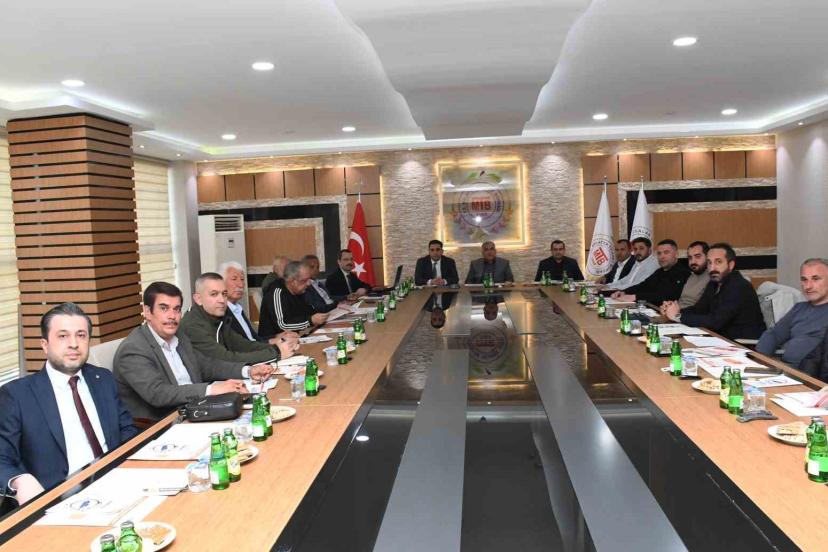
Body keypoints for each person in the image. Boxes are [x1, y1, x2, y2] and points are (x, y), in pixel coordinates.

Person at [0, 303, 137, 505]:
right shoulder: (17, 395)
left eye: (81, 335)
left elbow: (127, 429)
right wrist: (18, 481)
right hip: (58, 501)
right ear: (45, 345)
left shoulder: (103, 378)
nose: (73, 344)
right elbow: (2, 458)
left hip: (116, 484)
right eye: (63, 336)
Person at [114, 282, 273, 422]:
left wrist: (248, 371)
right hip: (164, 423)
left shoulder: (179, 336)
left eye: (177, 309)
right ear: (147, 312)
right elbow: (158, 393)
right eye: (164, 308)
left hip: (197, 410)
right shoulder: (134, 349)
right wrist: (211, 390)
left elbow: (207, 366)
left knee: (262, 414)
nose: (172, 316)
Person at [179, 272, 296, 365]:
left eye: (224, 294)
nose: (221, 300)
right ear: (198, 299)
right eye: (214, 294)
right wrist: (276, 352)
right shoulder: (193, 325)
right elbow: (224, 359)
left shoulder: (218, 317)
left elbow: (243, 346)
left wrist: (279, 347)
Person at [661, 243, 766, 340]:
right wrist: (672, 311)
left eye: (718, 262)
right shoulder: (714, 283)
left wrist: (678, 317)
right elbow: (699, 309)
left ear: (731, 265)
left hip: (742, 343)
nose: (712, 268)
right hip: (719, 338)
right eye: (709, 262)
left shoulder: (739, 286)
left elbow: (716, 321)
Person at [756, 258, 828, 367]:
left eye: (816, 279)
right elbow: (774, 335)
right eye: (804, 279)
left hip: (810, 373)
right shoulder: (799, 308)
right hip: (785, 368)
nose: (808, 286)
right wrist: (760, 361)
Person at [220, 261, 296, 345]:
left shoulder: (237, 308)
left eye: (242, 279)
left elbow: (253, 339)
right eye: (234, 279)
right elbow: (240, 346)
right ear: (221, 283)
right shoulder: (221, 313)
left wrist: (277, 336)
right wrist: (271, 341)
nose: (241, 285)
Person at [260, 262, 331, 336]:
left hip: (299, 335)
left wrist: (320, 316)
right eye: (304, 280)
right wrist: (310, 321)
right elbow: (282, 325)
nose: (308, 284)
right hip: (276, 339)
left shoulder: (298, 291)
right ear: (291, 280)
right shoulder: (276, 292)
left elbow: (308, 312)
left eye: (309, 279)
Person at [611, 239, 689, 306]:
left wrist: (635, 297)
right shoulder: (660, 271)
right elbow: (643, 285)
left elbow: (666, 296)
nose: (662, 256)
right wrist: (624, 292)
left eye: (666, 252)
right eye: (659, 253)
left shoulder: (682, 273)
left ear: (676, 254)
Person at [678, 241, 711, 308]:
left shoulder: (713, 277)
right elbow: (682, 301)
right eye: (690, 258)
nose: (693, 262)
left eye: (697, 257)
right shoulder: (691, 276)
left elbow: (703, 309)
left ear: (708, 257)